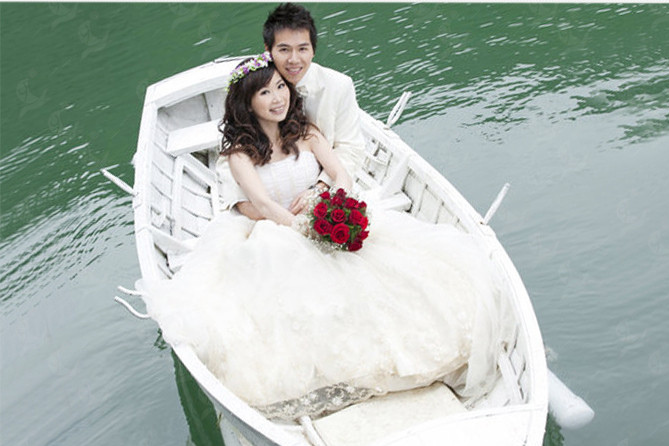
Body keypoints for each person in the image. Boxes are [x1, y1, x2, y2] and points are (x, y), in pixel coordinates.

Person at [143, 56, 506, 422]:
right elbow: (262, 204)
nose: (277, 98)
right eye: (265, 93)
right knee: (291, 286)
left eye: (281, 87)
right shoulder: (239, 153)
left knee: (393, 273)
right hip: (274, 229)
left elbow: (341, 174)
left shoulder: (307, 132)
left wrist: (326, 199)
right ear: (247, 103)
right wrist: (303, 229)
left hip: (321, 213)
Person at [217, 2, 364, 218]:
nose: (294, 60)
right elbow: (232, 153)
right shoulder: (253, 85)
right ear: (268, 50)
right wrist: (244, 204)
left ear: (313, 50)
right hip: (269, 203)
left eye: (303, 49)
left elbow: (350, 148)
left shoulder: (339, 86)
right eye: (284, 49)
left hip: (326, 186)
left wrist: (321, 189)